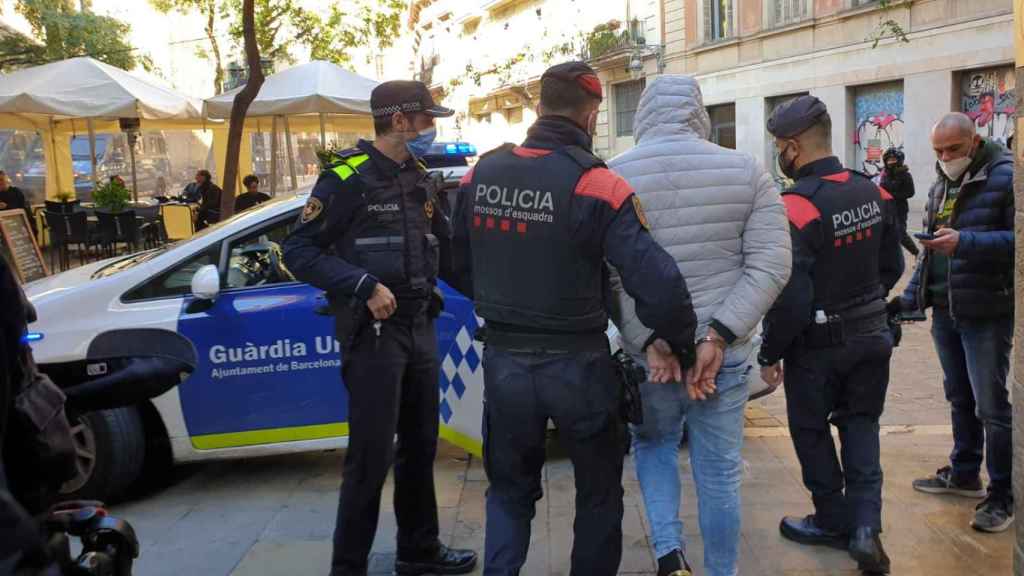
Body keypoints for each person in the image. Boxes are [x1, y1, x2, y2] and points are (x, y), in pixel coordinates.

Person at [451, 61, 699, 576]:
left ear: (539, 107)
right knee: (599, 493)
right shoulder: (597, 185)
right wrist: (678, 343)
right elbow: (659, 282)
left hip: (505, 364)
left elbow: (452, 262)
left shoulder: (481, 174)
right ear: (591, 114)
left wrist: (502, 301)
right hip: (578, 367)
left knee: (510, 491)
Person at [282, 80, 476, 576]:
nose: (431, 127)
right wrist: (364, 284)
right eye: (426, 118)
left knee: (420, 447)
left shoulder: (419, 176)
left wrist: (498, 297)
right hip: (373, 335)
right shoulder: (346, 177)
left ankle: (419, 551)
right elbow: (299, 251)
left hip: (419, 327)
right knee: (370, 457)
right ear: (398, 121)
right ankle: (348, 567)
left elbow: (449, 255)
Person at [607, 75, 792, 576]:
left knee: (653, 445)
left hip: (652, 360)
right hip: (723, 358)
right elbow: (770, 266)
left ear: (642, 113)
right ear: (699, 113)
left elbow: (607, 275)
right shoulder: (747, 171)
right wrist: (718, 335)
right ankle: (721, 571)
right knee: (719, 472)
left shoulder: (614, 176)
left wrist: (648, 341)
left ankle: (670, 556)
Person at [757, 96, 904, 574]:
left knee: (810, 429)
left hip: (818, 348)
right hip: (872, 333)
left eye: (780, 146)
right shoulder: (873, 192)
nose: (780, 154)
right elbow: (893, 265)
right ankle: (866, 529)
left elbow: (792, 297)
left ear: (794, 148)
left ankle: (830, 519)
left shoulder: (796, 207)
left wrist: (770, 351)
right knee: (861, 425)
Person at [895, 113, 1015, 533]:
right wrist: (908, 301)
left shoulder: (1007, 176)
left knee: (991, 405)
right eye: (938, 151)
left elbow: (1017, 240)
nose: (946, 158)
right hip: (947, 310)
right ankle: (965, 472)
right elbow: (929, 253)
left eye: (953, 149)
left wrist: (966, 242)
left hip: (986, 310)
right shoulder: (940, 183)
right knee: (958, 396)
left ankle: (1003, 495)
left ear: (974, 141)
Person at [879, 148, 919, 256]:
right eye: (889, 160)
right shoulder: (884, 175)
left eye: (893, 159)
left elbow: (910, 192)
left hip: (900, 209)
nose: (891, 162)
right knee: (886, 233)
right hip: (886, 208)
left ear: (899, 160)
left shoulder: (905, 175)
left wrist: (893, 196)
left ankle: (917, 253)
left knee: (900, 233)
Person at [0, 170, 36, 237]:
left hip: (21, 225)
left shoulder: (16, 192)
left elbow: (23, 209)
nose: (0, 182)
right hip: (5, 227)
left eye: (1, 180)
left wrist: (7, 206)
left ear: (6, 180)